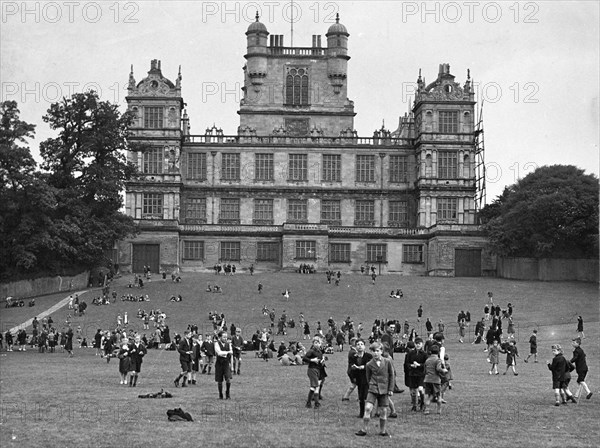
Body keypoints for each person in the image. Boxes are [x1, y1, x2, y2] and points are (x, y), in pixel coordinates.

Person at [355, 341, 394, 437]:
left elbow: (392, 375)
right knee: (368, 408)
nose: (375, 353)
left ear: (381, 351)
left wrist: (390, 389)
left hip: (384, 389)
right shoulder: (369, 364)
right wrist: (372, 385)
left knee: (384, 410)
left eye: (377, 351)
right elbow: (368, 377)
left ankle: (383, 431)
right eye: (373, 351)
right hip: (373, 388)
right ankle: (364, 429)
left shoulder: (388, 361)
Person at [349, 338, 373, 418]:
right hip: (359, 379)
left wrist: (364, 367)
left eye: (361, 344)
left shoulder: (368, 356)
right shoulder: (353, 357)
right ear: (355, 347)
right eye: (358, 345)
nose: (360, 346)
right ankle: (361, 413)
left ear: (364, 346)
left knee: (367, 396)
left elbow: (371, 366)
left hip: (367, 379)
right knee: (361, 397)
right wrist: (353, 368)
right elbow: (350, 366)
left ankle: (369, 413)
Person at [423, 344, 447, 415]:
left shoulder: (427, 360)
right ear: (438, 352)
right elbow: (438, 368)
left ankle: (427, 409)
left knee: (429, 395)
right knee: (438, 395)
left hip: (427, 379)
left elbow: (424, 371)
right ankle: (439, 410)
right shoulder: (438, 360)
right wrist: (444, 370)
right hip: (435, 380)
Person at [303, 337, 325, 409]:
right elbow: (304, 358)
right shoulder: (311, 351)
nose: (317, 344)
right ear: (313, 343)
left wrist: (322, 360)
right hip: (312, 370)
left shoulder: (320, 352)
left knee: (316, 386)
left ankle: (311, 403)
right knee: (314, 386)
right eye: (315, 343)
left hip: (318, 370)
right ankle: (314, 403)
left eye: (318, 343)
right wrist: (312, 360)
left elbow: (320, 361)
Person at [406, 337, 427, 412]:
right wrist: (411, 366)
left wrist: (419, 365)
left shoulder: (424, 354)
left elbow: (426, 364)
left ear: (422, 344)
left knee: (421, 389)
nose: (418, 345)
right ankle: (414, 406)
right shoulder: (410, 353)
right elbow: (406, 363)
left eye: (419, 344)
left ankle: (422, 403)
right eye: (416, 344)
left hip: (421, 374)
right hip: (412, 374)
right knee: (413, 392)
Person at [214, 330, 233, 399]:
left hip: (226, 363)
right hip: (219, 364)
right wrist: (227, 352)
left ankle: (227, 393)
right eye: (224, 337)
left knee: (228, 379)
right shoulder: (216, 344)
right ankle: (220, 394)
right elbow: (219, 353)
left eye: (226, 337)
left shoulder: (229, 344)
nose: (225, 338)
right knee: (220, 381)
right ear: (220, 337)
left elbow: (231, 352)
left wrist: (232, 366)